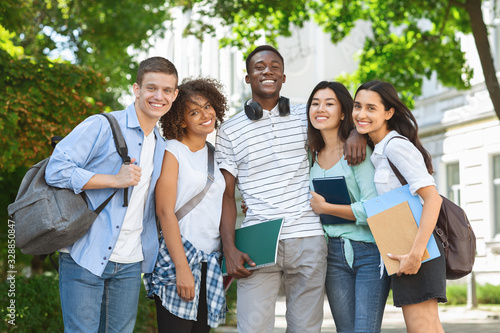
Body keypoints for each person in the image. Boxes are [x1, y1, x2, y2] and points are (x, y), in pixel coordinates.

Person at [215, 45, 366, 333]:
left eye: (274, 66)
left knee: (306, 330)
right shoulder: (229, 130)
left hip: (308, 236)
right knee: (252, 329)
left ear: (283, 77)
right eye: (259, 67)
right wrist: (229, 248)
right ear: (248, 78)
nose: (267, 70)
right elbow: (226, 194)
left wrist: (357, 133)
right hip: (257, 240)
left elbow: (342, 121)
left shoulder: (305, 116)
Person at [45, 56, 179, 333]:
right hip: (85, 253)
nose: (159, 96)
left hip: (130, 262)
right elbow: (55, 169)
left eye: (167, 90)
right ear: (136, 89)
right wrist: (113, 179)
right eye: (151, 88)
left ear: (175, 95)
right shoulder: (102, 125)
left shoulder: (162, 145)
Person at [352, 80, 447, 333]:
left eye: (371, 108)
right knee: (428, 327)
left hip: (416, 250)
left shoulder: (396, 146)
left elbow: (432, 198)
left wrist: (416, 255)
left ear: (389, 113)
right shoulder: (379, 149)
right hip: (405, 249)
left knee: (422, 327)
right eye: (357, 106)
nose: (361, 114)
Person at [143, 77, 228, 332]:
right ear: (180, 119)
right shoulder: (173, 150)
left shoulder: (215, 153)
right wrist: (182, 268)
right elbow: (164, 211)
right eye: (194, 111)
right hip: (179, 258)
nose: (206, 114)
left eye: (208, 106)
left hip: (210, 261)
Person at [307, 81, 391, 332]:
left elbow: (374, 209)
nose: (320, 109)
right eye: (315, 103)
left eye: (329, 103)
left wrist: (327, 208)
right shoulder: (311, 155)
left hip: (369, 253)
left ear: (343, 112)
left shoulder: (357, 152)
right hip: (332, 255)